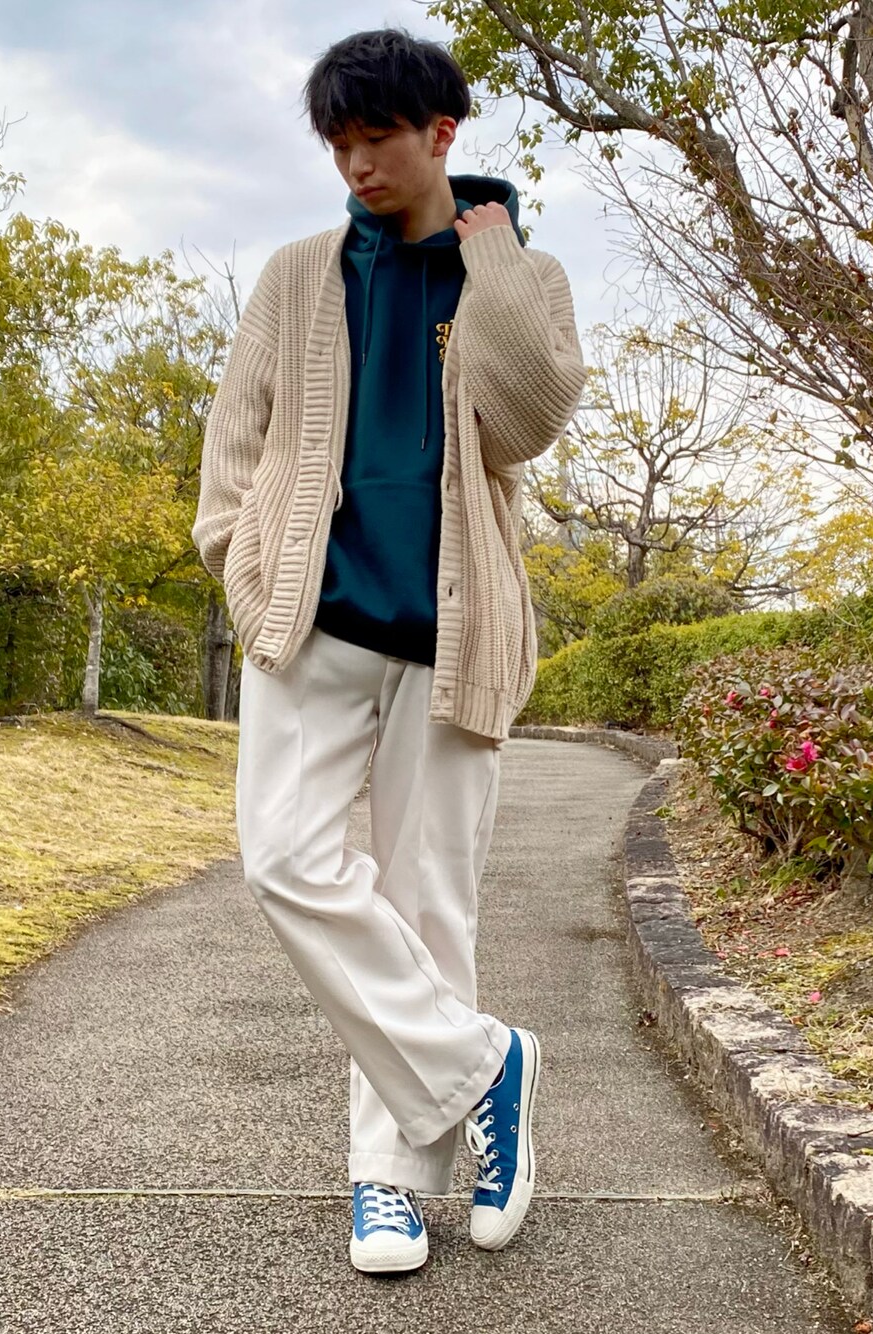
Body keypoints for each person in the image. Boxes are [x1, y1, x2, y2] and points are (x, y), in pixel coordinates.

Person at [192, 26, 587, 1275]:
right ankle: (485, 1062)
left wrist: (492, 253)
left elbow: (529, 416)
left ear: (439, 134)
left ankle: (390, 1182)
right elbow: (234, 443)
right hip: (310, 622)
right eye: (339, 145)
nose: (357, 164)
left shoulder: (518, 274)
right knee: (282, 859)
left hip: (452, 635)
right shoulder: (296, 273)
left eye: (377, 139)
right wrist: (243, 563)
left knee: (427, 906)